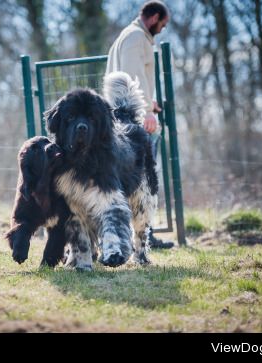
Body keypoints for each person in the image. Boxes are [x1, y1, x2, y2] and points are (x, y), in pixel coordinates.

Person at [106, 1, 173, 249]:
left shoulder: (128, 35)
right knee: (145, 180)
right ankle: (144, 235)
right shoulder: (136, 37)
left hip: (124, 115)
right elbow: (133, 78)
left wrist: (150, 102)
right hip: (133, 118)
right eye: (162, 25)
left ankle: (138, 234)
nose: (162, 29)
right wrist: (146, 112)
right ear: (154, 17)